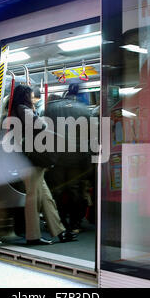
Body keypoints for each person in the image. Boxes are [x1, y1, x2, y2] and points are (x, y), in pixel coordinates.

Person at [10, 84, 77, 245]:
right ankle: (32, 236)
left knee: (46, 198)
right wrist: (37, 114)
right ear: (25, 95)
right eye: (31, 95)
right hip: (30, 159)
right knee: (34, 197)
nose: (33, 98)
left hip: (28, 159)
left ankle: (60, 231)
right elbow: (41, 125)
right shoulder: (22, 109)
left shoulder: (16, 110)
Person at [44, 83, 95, 233]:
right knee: (75, 191)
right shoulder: (85, 110)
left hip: (56, 157)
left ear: (66, 92)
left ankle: (59, 223)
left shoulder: (51, 108)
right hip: (77, 158)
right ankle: (75, 224)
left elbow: (43, 133)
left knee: (57, 190)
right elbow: (91, 137)